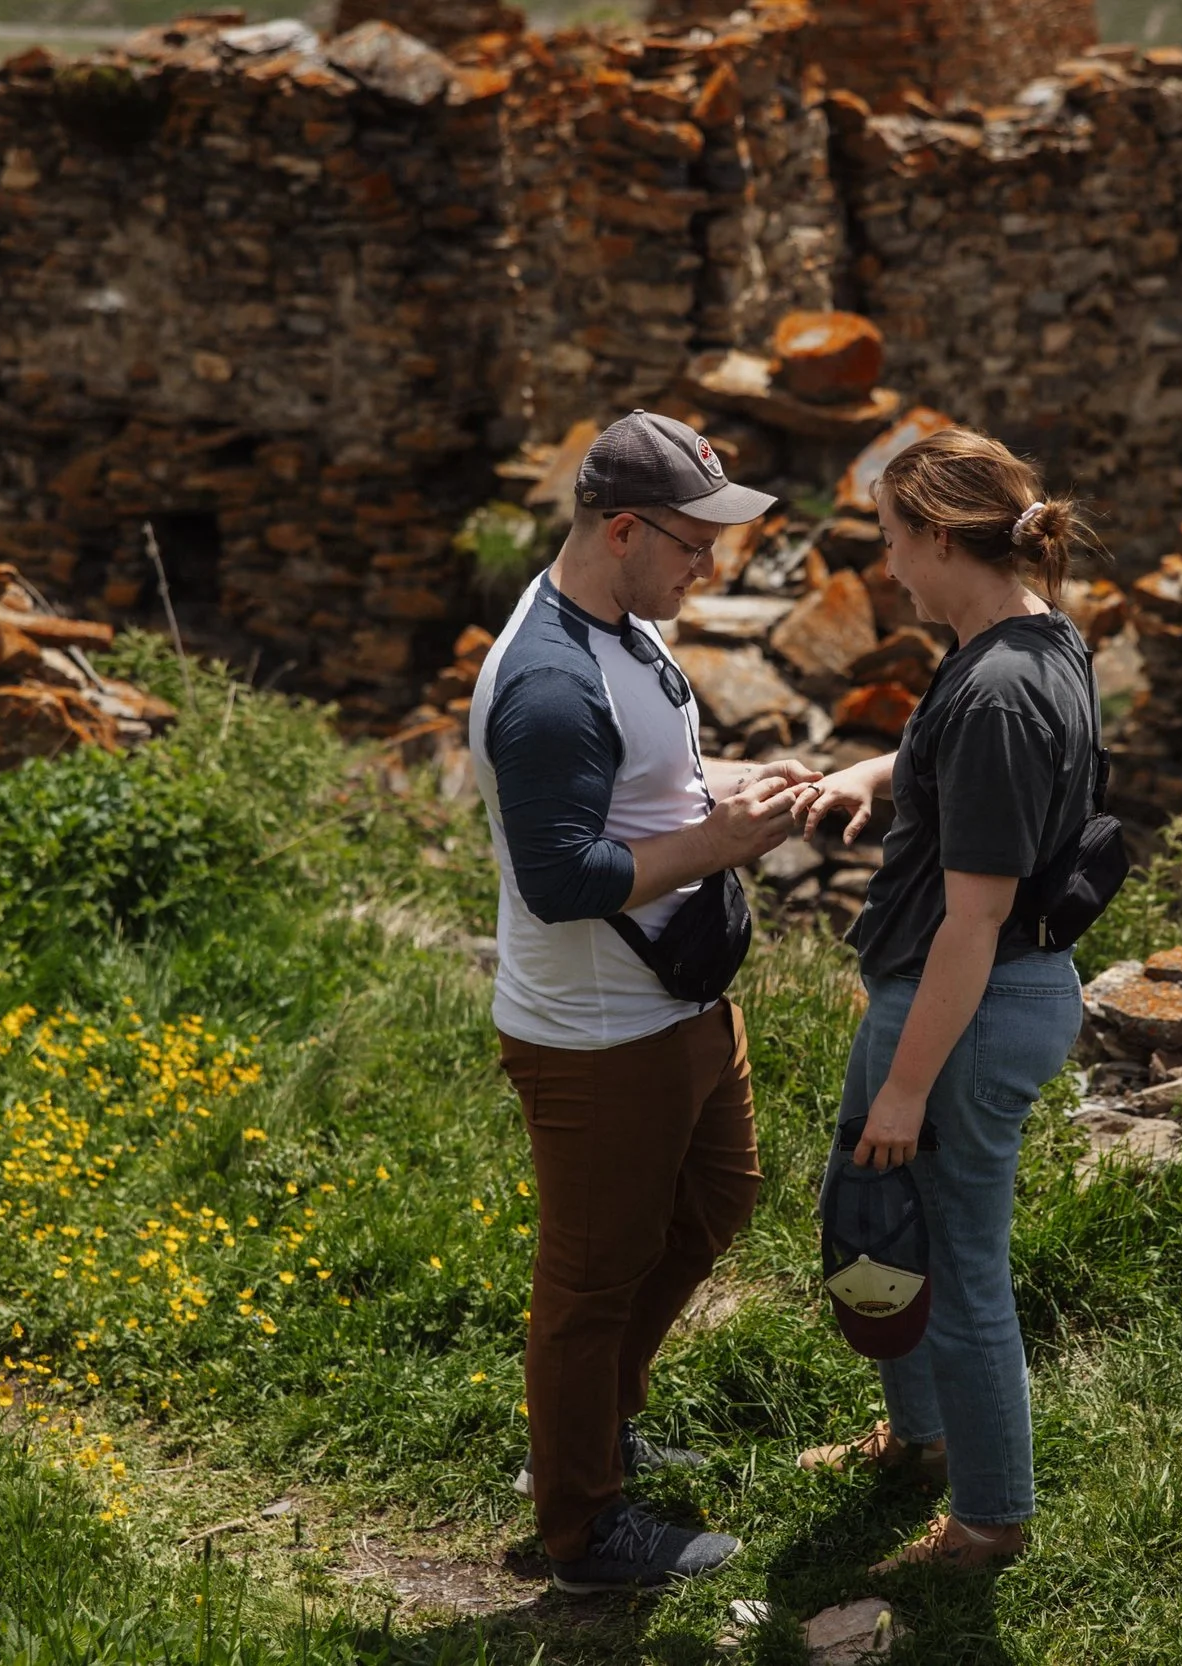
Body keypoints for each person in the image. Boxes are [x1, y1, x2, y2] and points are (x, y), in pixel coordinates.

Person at [469, 409, 821, 1594]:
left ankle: (593, 1431)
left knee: (719, 1199)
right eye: (692, 542)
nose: (708, 565)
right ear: (622, 529)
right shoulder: (551, 681)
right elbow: (563, 878)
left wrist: (729, 792)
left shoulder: (620, 622)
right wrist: (720, 840)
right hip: (597, 1032)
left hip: (675, 1002)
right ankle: (580, 1529)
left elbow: (644, 786)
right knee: (590, 1279)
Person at [796, 427, 1099, 1572]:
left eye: (889, 540)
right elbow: (938, 759)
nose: (884, 567)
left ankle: (988, 1519)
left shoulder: (1000, 695)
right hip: (939, 990)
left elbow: (974, 920)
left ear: (934, 535)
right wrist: (868, 779)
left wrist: (908, 1086)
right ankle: (918, 1439)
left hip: (966, 1006)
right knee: (882, 1218)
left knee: (958, 1257)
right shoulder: (1017, 636)